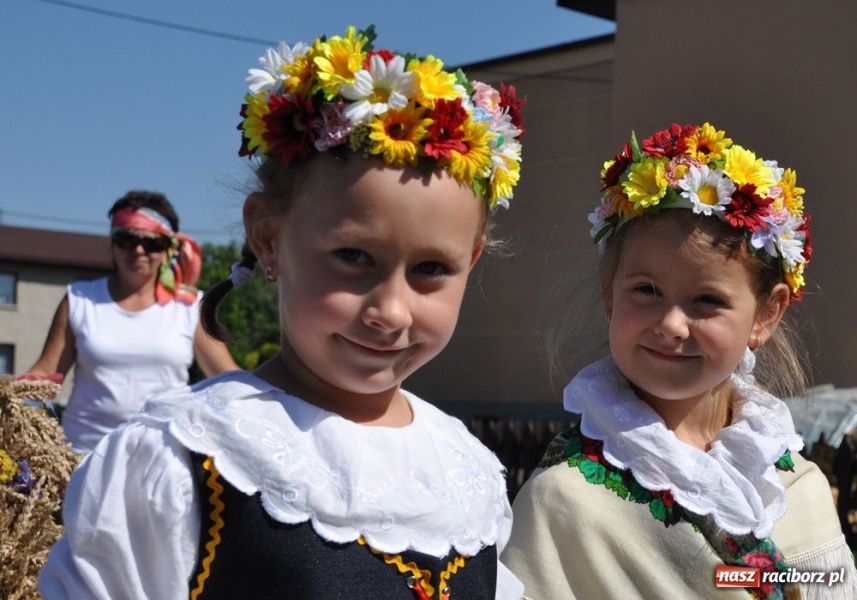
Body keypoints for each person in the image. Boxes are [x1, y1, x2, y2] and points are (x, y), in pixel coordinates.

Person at [39, 25, 527, 599]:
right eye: (353, 257)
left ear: (470, 263)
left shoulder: (468, 473)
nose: (390, 312)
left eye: (430, 270)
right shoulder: (185, 458)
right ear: (268, 239)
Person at [501, 123, 857, 599]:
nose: (671, 324)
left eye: (707, 299)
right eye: (646, 290)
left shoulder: (795, 484)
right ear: (610, 294)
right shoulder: (564, 501)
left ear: (766, 315)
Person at [22, 190, 239, 454]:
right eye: (127, 239)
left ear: (168, 250)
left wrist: (282, 395)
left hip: (164, 459)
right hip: (84, 456)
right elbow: (45, 376)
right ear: (112, 245)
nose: (138, 250)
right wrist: (10, 399)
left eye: (152, 243)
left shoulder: (190, 306)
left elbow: (228, 380)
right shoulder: (80, 299)